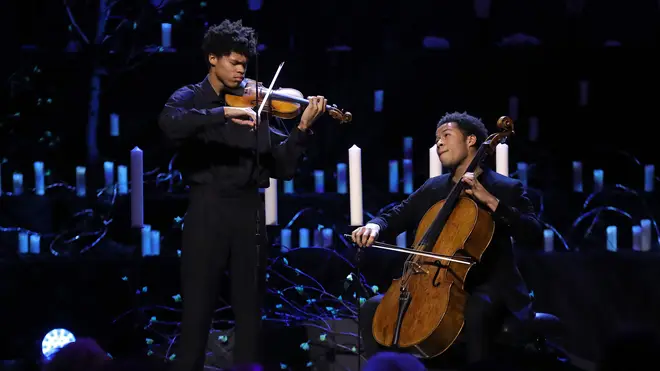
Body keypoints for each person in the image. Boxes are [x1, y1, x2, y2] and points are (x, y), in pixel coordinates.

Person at [158, 19, 327, 371]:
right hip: (208, 209)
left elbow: (280, 168)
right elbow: (170, 123)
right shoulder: (191, 97)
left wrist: (302, 129)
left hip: (250, 213)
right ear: (212, 59)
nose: (240, 71)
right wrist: (224, 113)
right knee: (197, 314)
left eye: (244, 65)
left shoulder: (257, 104)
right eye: (233, 62)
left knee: (250, 314)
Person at [351, 112, 542, 365]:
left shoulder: (505, 188)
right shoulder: (434, 187)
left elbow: (533, 234)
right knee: (372, 308)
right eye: (436, 138)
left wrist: (490, 201)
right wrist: (375, 226)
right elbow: (398, 215)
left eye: (446, 136)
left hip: (489, 284)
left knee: (476, 311)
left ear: (471, 140)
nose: (438, 143)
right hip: (434, 283)